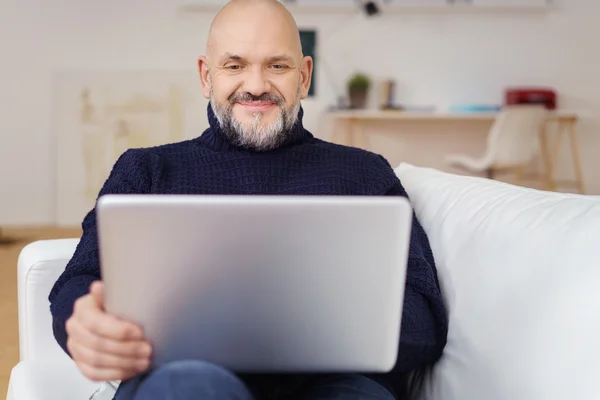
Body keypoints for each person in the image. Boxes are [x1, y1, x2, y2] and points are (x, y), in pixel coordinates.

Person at [48, 0, 448, 399]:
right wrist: (83, 323)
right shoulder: (146, 170)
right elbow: (80, 279)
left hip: (339, 382)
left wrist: (304, 330)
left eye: (277, 66)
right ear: (206, 76)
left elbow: (424, 315)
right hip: (188, 378)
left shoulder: (366, 174)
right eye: (235, 65)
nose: (256, 85)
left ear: (304, 76)